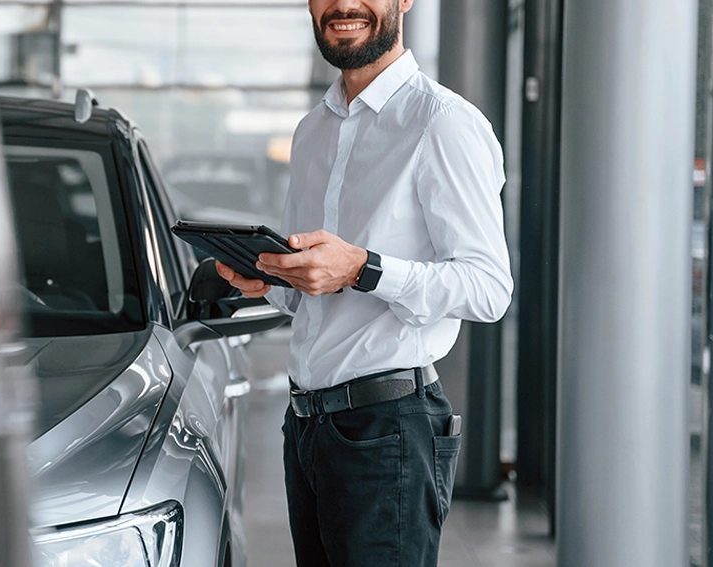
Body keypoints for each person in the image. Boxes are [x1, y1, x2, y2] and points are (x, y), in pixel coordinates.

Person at [214, 0, 513, 564]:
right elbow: (317, 285)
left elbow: (488, 288)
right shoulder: (313, 130)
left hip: (388, 429)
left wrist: (364, 267)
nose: (344, 5)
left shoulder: (443, 122)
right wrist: (271, 280)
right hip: (306, 428)